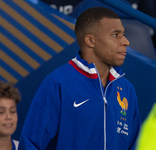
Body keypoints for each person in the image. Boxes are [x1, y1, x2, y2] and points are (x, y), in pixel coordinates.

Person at [18, 7, 141, 150]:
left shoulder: (127, 89)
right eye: (115, 35)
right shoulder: (58, 82)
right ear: (90, 40)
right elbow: (29, 144)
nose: (126, 41)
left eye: (123, 34)